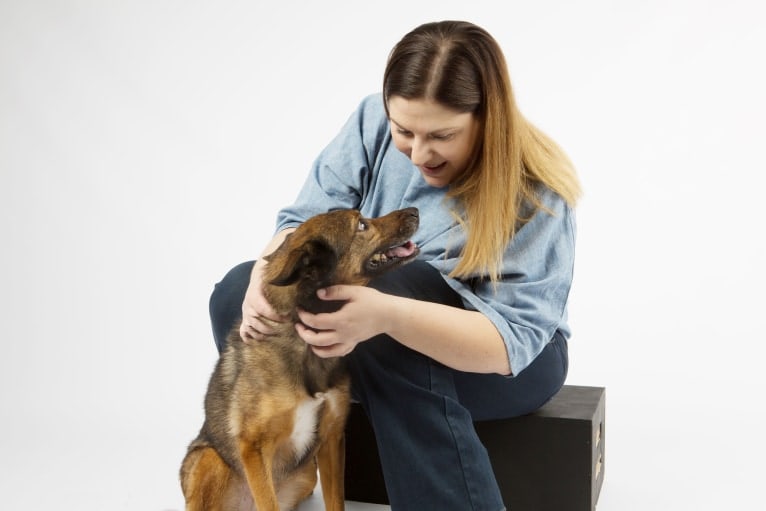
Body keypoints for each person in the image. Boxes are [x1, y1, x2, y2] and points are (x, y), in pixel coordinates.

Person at [209, 20, 581, 511]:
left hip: (507, 363)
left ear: (488, 119)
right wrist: (263, 276)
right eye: (404, 130)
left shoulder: (537, 190)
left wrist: (383, 316)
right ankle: (294, 459)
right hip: (376, 342)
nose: (419, 152)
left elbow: (512, 343)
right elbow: (304, 222)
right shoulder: (370, 122)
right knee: (237, 291)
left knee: (393, 290)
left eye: (441, 135)